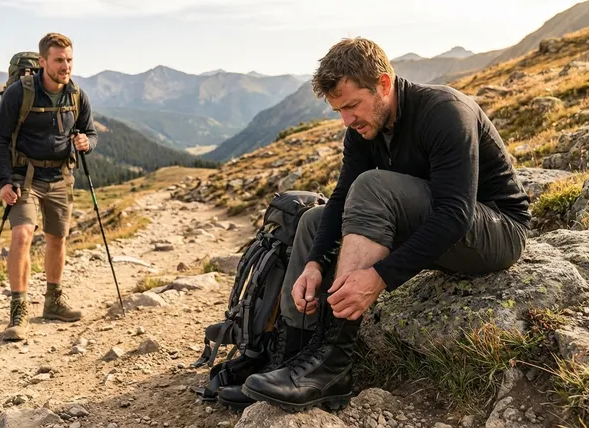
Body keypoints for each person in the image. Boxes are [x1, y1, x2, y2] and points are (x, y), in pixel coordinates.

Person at [220, 37, 531, 411]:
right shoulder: (364, 128)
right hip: (438, 226)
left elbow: (454, 214)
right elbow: (339, 199)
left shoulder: (445, 111)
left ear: (384, 84)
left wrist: (381, 276)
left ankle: (332, 365)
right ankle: (290, 359)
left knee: (373, 187)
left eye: (352, 105)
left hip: (495, 231)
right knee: (313, 220)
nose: (347, 120)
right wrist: (316, 262)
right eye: (339, 110)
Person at [0, 32, 98, 341]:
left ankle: (53, 301)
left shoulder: (77, 95)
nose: (66, 67)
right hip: (25, 178)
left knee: (57, 238)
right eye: (59, 60)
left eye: (69, 60)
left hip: (61, 177)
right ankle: (19, 309)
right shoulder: (19, 94)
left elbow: (90, 132)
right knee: (22, 234)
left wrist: (86, 142)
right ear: (42, 62)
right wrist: (3, 181)